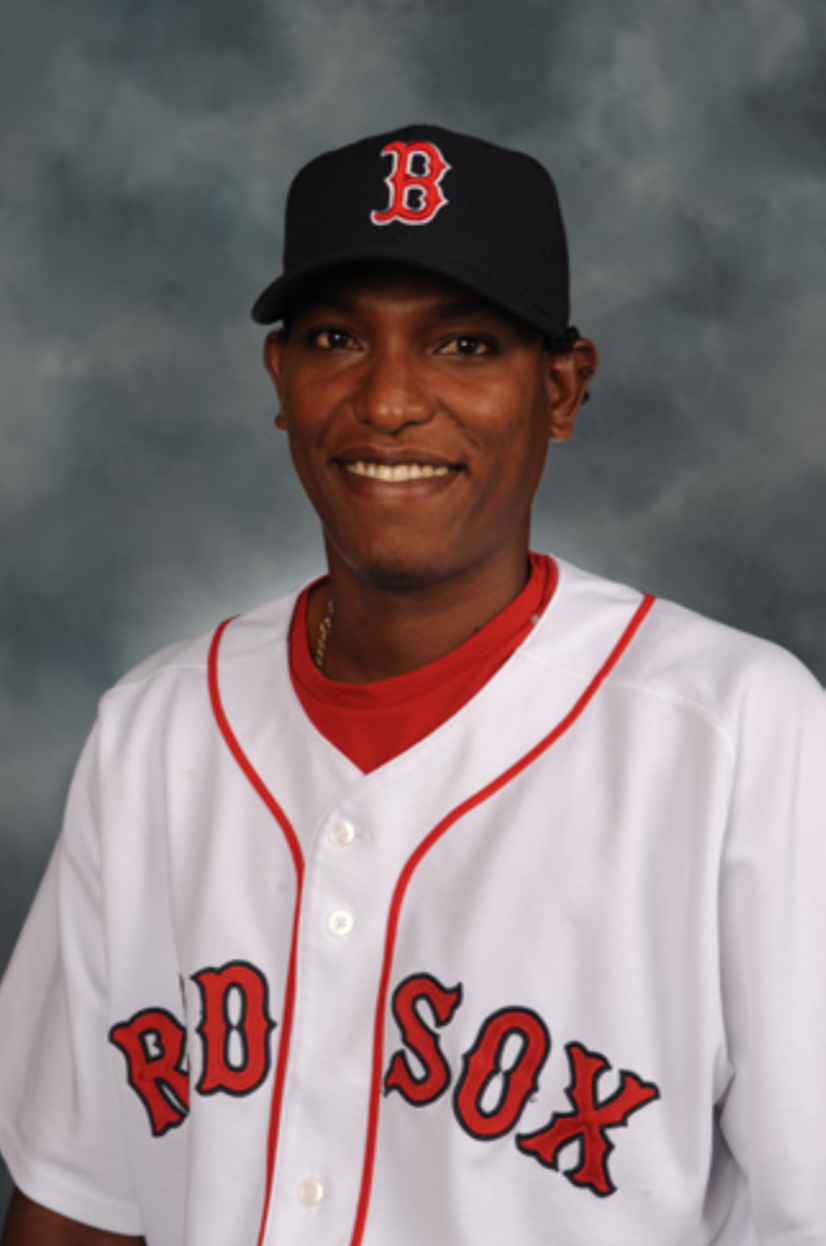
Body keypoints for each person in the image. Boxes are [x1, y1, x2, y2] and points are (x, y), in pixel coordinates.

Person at [0, 124, 823, 1246]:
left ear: (563, 389)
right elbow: (76, 1199)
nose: (388, 401)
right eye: (338, 337)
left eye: (465, 346)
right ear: (279, 378)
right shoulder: (155, 729)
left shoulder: (738, 735)